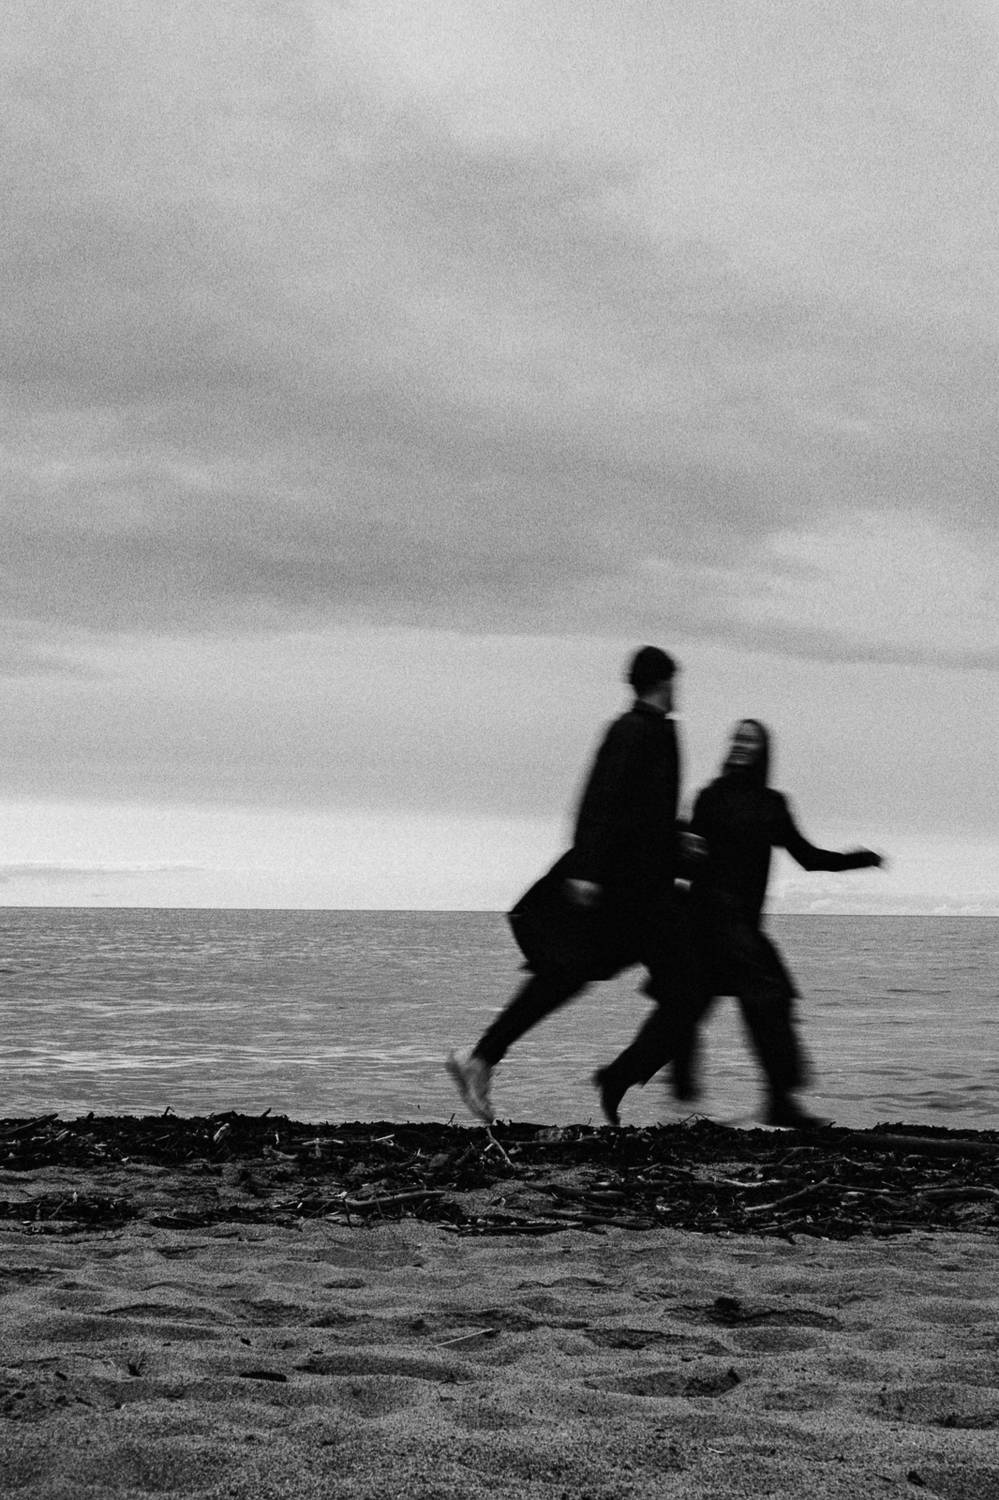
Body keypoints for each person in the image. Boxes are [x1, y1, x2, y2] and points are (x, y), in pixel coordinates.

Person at [593, 718, 884, 1128]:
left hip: (740, 925)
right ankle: (779, 1102)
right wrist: (679, 844)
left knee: (693, 1011)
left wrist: (860, 859)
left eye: (751, 739)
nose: (742, 744)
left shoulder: (772, 804)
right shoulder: (709, 797)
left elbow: (807, 857)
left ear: (763, 750)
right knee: (764, 997)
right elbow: (681, 856)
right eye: (738, 738)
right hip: (710, 921)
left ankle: (618, 1077)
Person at [446, 646, 692, 1123]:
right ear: (665, 681)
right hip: (626, 889)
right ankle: (488, 1058)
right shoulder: (633, 730)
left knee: (573, 976)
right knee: (587, 976)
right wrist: (586, 871)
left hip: (642, 889)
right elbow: (599, 798)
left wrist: (681, 844)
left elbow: (648, 815)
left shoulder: (658, 731)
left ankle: (488, 1058)